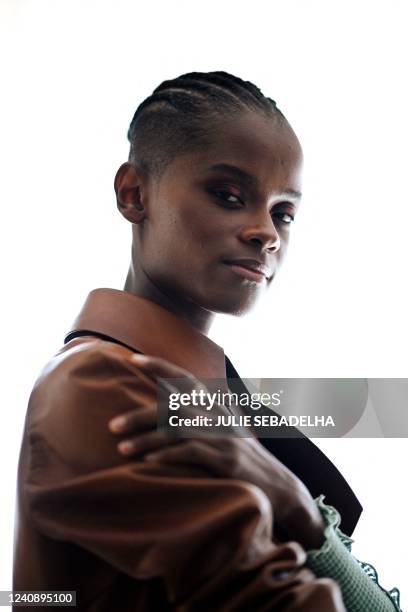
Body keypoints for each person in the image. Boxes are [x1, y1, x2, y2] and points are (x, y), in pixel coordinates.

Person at [14, 71, 401, 611]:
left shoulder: (202, 397)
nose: (266, 231)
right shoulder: (108, 385)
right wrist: (302, 515)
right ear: (133, 194)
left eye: (283, 212)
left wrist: (296, 505)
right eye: (227, 194)